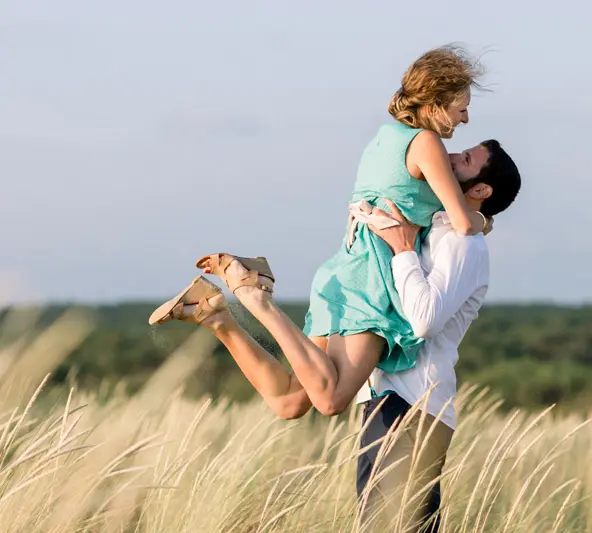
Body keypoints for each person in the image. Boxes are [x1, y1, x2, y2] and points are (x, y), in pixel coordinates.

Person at [149, 45, 493, 418]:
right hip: (371, 284)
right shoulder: (426, 143)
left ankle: (215, 315)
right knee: (330, 400)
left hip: (343, 271)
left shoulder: (385, 138)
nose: (466, 119)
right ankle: (255, 296)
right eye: (462, 108)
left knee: (290, 401)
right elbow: (460, 222)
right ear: (435, 102)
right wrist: (485, 220)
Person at [354, 140, 521, 532]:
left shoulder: (464, 244)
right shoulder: (443, 227)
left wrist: (402, 250)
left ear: (480, 190)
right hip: (392, 398)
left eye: (465, 160)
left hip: (413, 404)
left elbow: (424, 320)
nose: (447, 157)